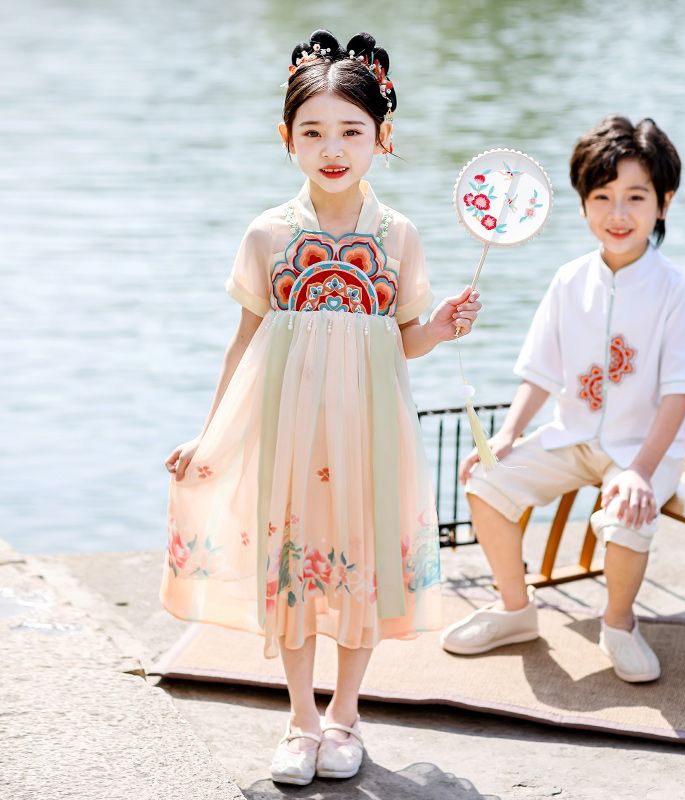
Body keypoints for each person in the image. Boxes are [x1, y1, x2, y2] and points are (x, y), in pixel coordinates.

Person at [160, 29, 481, 787]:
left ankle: (346, 714)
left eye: (351, 131)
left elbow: (400, 342)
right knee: (296, 567)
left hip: (371, 431)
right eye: (313, 132)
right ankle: (300, 717)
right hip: (290, 433)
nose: (332, 148)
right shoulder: (268, 234)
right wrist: (209, 437)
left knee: (360, 567)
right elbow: (243, 346)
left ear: (382, 137)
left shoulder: (397, 236)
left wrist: (438, 327)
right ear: (287, 139)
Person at [442, 116, 685, 684]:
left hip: (642, 447)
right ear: (584, 204)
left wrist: (639, 470)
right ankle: (515, 609)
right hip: (572, 435)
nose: (618, 213)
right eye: (602, 196)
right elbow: (540, 372)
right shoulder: (568, 281)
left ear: (664, 203)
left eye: (636, 197)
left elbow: (679, 394)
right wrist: (508, 435)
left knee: (627, 515)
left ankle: (618, 623)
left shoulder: (677, 291)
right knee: (485, 481)